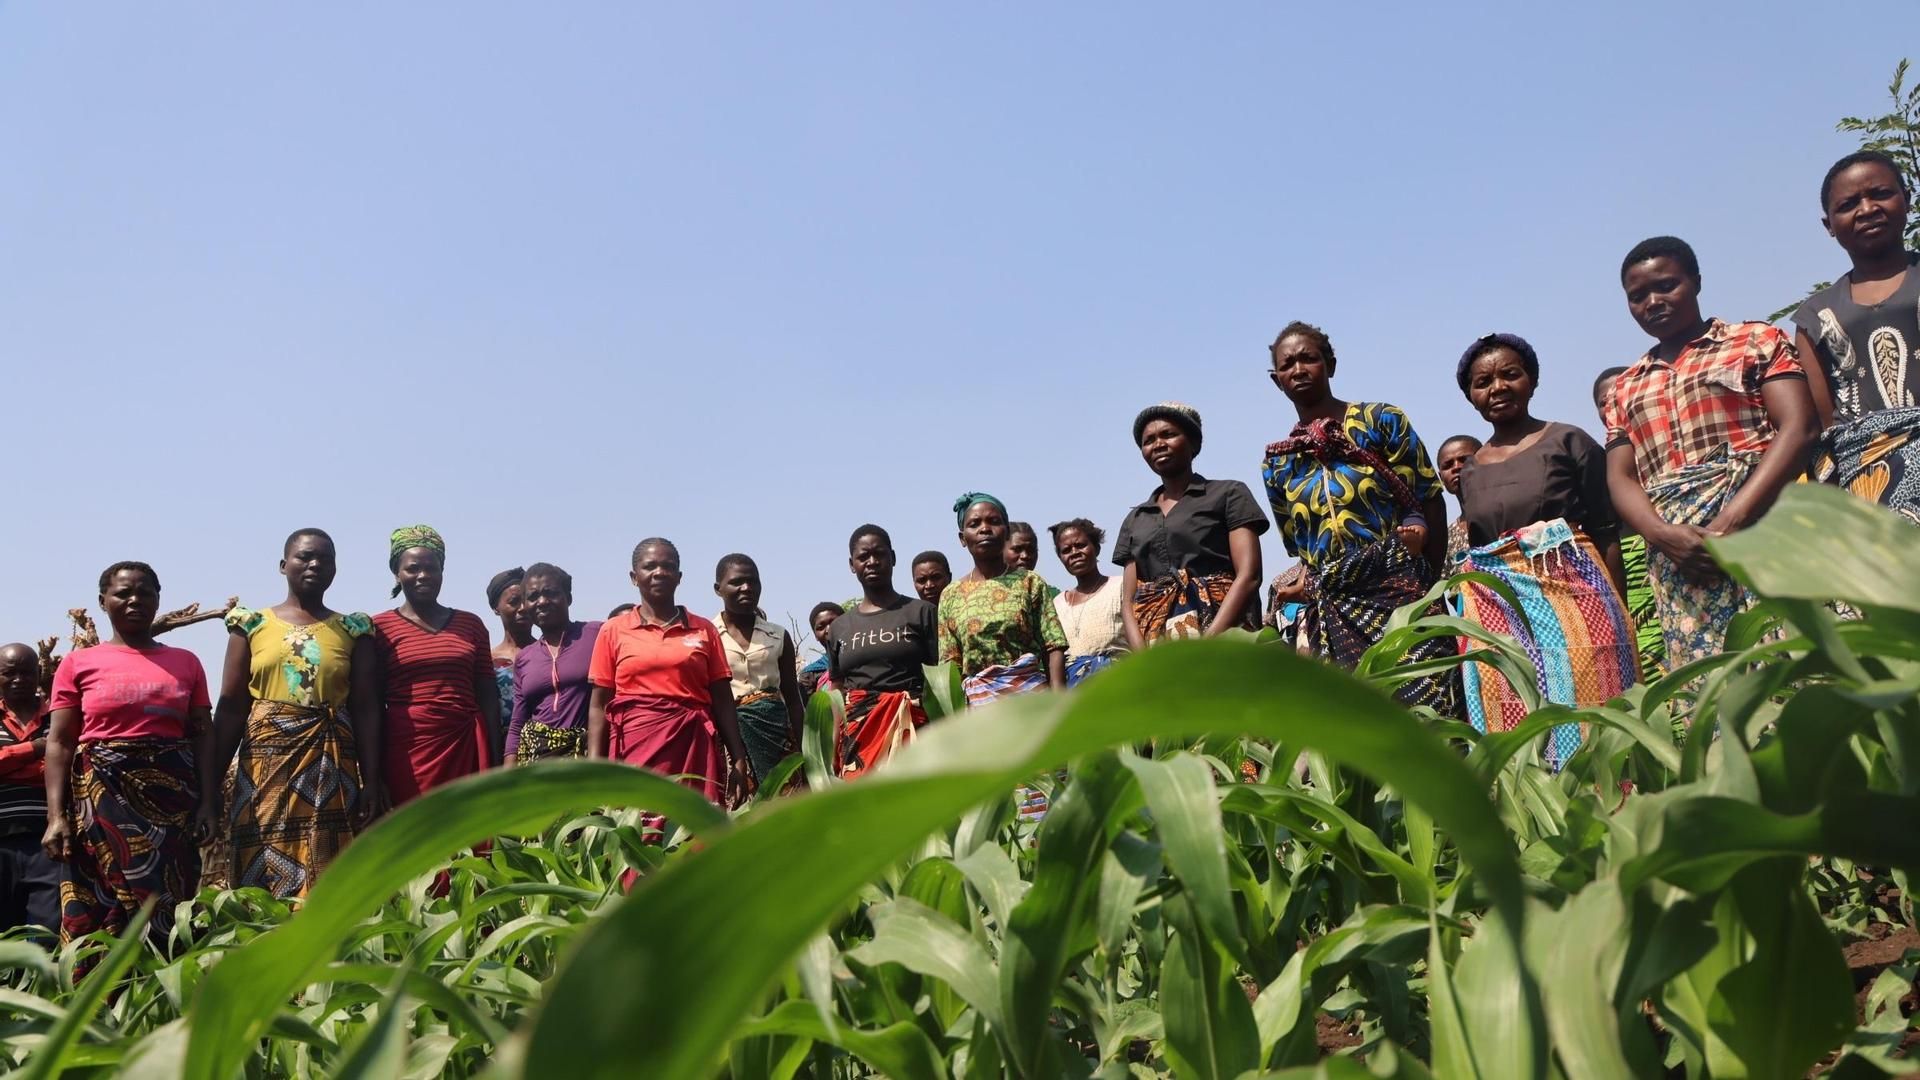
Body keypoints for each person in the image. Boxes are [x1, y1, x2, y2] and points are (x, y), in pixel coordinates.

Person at [1605, 237, 1818, 671]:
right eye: (1638, 296)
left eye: (1667, 285)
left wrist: (1728, 524)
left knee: (1792, 665)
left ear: (1696, 282)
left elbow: (1799, 428)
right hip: (1681, 560)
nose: (1653, 302)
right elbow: (1620, 478)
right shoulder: (1625, 386)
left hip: (1762, 530)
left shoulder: (1755, 340)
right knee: (1711, 684)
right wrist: (1663, 536)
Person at [1452, 334, 1639, 765]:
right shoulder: (1472, 470)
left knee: (1591, 712)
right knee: (1515, 716)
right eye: (1483, 382)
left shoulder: (1569, 441)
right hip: (1502, 614)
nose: (1497, 387)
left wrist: (1617, 608)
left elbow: (1606, 531)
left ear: (1532, 381)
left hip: (1578, 602)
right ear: (1471, 397)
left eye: (1509, 375)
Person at [1260, 321, 1461, 714]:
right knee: (1360, 729)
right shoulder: (1278, 461)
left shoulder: (1380, 421)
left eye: (1309, 359)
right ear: (1276, 380)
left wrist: (1426, 586)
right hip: (1333, 607)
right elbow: (1299, 546)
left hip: (1400, 591)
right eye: (1287, 365)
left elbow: (1429, 500)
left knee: (1430, 713)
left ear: (1330, 365)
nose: (1298, 369)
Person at [43, 563, 216, 945]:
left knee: (171, 905)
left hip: (173, 806)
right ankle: (100, 999)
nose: (135, 600)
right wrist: (55, 817)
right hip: (98, 804)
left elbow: (203, 735)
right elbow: (59, 742)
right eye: (123, 593)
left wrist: (208, 802)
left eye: (145, 592)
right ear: (102, 602)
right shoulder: (78, 663)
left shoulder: (186, 662)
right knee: (102, 909)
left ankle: (169, 998)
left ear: (158, 599)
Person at [213, 529, 380, 899]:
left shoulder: (353, 630)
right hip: (264, 769)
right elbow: (230, 707)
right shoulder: (252, 625)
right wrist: (209, 785)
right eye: (305, 557)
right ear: (283, 565)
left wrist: (373, 780)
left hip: (332, 766)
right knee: (257, 867)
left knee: (330, 868)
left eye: (325, 559)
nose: (315, 564)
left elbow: (367, 709)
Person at [1794, 150, 1920, 523]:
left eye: (1880, 193)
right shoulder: (1815, 317)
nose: (1867, 209)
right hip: (1868, 488)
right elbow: (1825, 426)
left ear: (1907, 199)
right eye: (1849, 204)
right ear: (1829, 225)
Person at [587, 538, 752, 820]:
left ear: (679, 577)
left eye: (668, 566)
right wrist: (594, 768)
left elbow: (723, 699)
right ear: (633, 577)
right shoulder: (613, 631)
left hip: (693, 747)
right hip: (635, 749)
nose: (659, 572)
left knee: (693, 833)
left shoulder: (704, 630)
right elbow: (598, 705)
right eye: (649, 566)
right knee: (639, 830)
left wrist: (738, 757)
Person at [1114, 402, 1269, 645]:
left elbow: (1248, 575)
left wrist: (1207, 645)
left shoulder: (1228, 493)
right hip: (1160, 646)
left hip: (1226, 635)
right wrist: (1144, 661)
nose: (1158, 444)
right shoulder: (1135, 520)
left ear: (1193, 443)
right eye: (1149, 440)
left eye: (1169, 434)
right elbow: (1128, 602)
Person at [371, 526, 501, 807]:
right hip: (407, 751)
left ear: (442, 571)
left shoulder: (471, 624)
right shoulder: (378, 628)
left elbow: (488, 697)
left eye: (432, 568)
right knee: (417, 836)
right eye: (412, 568)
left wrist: (495, 758)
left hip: (465, 746)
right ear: (397, 573)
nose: (423, 576)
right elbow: (371, 704)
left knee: (471, 833)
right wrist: (374, 773)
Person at [828, 525, 938, 778]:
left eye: (879, 554)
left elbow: (939, 678)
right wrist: (832, 751)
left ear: (893, 558)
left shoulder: (921, 612)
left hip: (913, 731)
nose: (872, 562)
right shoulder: (839, 627)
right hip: (859, 740)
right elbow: (837, 691)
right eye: (863, 556)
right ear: (851, 564)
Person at [938, 493, 1068, 704]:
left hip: (1031, 702)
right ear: (962, 538)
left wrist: (1059, 706)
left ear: (1006, 532)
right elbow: (950, 666)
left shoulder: (1030, 581)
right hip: (979, 710)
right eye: (974, 524)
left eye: (994, 522)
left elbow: (1053, 647)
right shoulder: (951, 595)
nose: (985, 528)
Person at [1593, 367, 1665, 678]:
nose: (1612, 404)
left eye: (1617, 396)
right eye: (1603, 401)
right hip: (1628, 578)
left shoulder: (1667, 445)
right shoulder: (1597, 459)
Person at [712, 555, 805, 785]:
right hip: (728, 740)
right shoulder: (706, 635)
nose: (747, 588)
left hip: (777, 735)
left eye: (753, 581)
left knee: (784, 802)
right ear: (718, 589)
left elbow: (793, 699)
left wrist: (806, 751)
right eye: (737, 582)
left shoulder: (778, 635)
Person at [507, 563, 601, 763]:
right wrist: (508, 776)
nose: (542, 601)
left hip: (586, 757)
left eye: (550, 593)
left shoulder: (596, 634)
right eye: (533, 597)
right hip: (536, 761)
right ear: (525, 605)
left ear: (569, 597)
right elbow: (518, 722)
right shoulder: (524, 658)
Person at [0, 644, 59, 935]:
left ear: (39, 674)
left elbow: (67, 765)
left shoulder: (59, 717)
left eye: (26, 672)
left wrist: (9, 765)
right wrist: (36, 748)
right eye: (9, 673)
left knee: (45, 932)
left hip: (48, 842)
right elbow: (51, 764)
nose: (19, 679)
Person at [1048, 519, 1128, 684]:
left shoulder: (1121, 586)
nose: (1074, 552)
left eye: (1081, 545)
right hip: (1075, 697)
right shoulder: (1056, 604)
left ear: (1096, 548)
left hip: (1120, 684)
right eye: (1066, 550)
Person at [486, 568, 533, 721]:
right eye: (513, 602)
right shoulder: (487, 661)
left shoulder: (550, 653)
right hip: (501, 743)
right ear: (495, 608)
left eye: (527, 600)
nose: (523, 608)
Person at [1435, 435, 1483, 566]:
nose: (1456, 467)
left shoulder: (1509, 515)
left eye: (1464, 460)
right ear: (1441, 478)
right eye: (1447, 465)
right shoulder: (1447, 539)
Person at [797, 603, 842, 698]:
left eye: (834, 622)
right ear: (815, 635)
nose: (829, 629)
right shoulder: (809, 675)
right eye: (821, 627)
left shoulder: (863, 659)